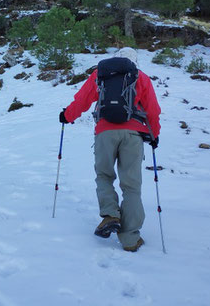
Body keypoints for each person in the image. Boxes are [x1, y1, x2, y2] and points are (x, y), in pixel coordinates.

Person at [59, 47, 161, 252]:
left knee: (104, 175)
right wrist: (154, 135)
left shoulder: (100, 74)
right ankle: (130, 239)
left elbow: (82, 100)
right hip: (133, 135)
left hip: (105, 132)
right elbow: (152, 110)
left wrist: (67, 116)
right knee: (131, 186)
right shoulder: (140, 77)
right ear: (134, 61)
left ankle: (110, 214)